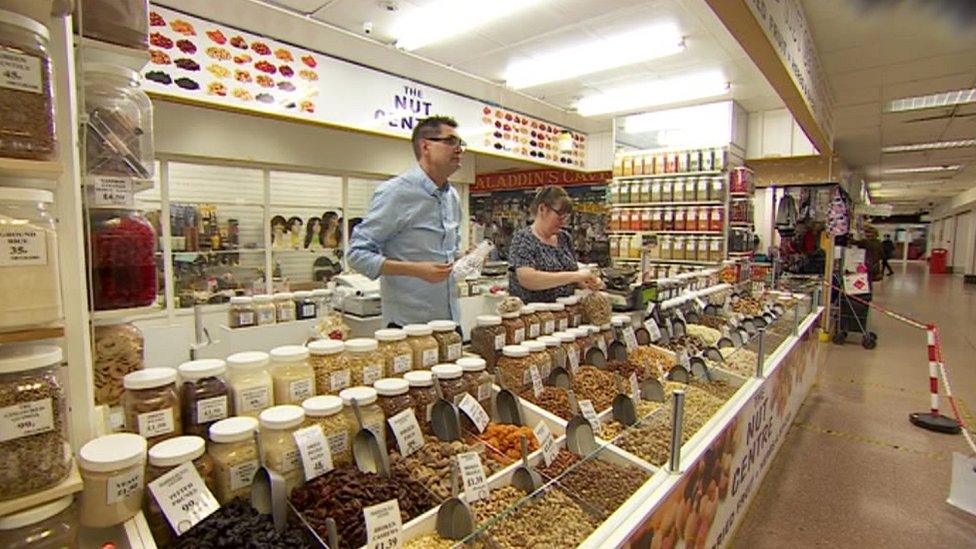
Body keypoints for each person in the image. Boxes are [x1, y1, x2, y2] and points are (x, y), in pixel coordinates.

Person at [348, 115, 463, 327]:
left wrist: (467, 259)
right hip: (408, 327)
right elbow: (356, 255)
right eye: (450, 141)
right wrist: (415, 269)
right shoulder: (396, 193)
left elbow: (452, 252)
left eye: (460, 143)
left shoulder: (452, 197)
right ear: (426, 145)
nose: (459, 149)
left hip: (450, 322)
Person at [507, 185, 601, 304]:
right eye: (559, 215)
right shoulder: (524, 238)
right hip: (533, 316)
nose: (563, 221)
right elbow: (527, 278)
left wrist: (588, 283)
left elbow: (573, 276)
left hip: (566, 313)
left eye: (566, 217)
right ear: (542, 209)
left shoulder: (564, 238)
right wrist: (576, 276)